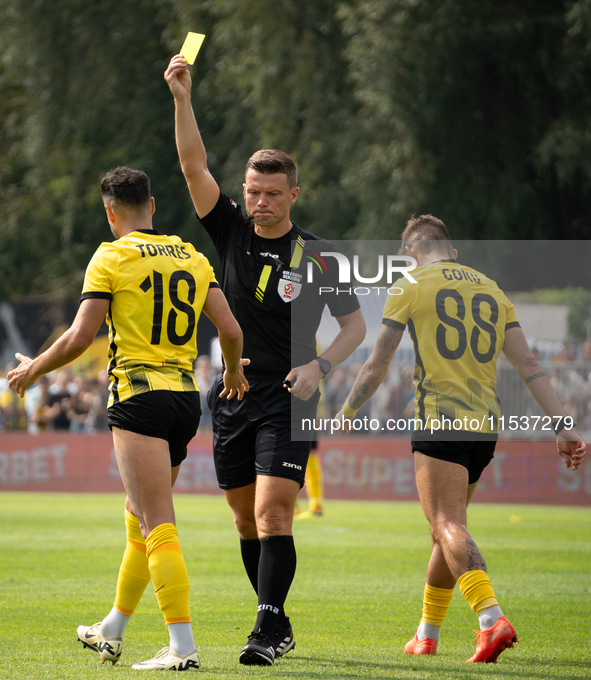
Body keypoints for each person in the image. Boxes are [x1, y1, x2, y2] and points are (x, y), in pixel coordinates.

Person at [164, 55, 366, 666]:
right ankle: (275, 619)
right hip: (232, 393)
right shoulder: (229, 230)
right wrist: (181, 97)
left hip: (291, 396)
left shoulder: (320, 254)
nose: (260, 203)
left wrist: (321, 366)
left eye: (272, 194)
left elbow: (354, 327)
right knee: (245, 522)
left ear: (294, 194)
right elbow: (192, 164)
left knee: (273, 508)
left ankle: (266, 626)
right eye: (253, 192)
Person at [8, 166, 248, 672]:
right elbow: (230, 328)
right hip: (185, 400)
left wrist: (33, 367)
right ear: (153, 206)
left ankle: (182, 647)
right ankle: (112, 629)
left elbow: (78, 339)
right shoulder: (191, 253)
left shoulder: (110, 256)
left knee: (156, 520)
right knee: (137, 514)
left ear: (109, 211)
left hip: (139, 398)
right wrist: (231, 373)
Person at [336, 215, 586, 664]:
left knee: (446, 525)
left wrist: (346, 412)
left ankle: (492, 620)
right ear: (451, 250)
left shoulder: (410, 285)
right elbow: (528, 362)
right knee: (447, 529)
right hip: (486, 427)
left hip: (440, 421)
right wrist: (563, 426)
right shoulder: (491, 289)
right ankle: (426, 635)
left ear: (409, 253)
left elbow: (376, 364)